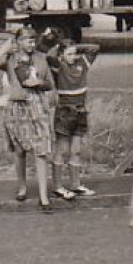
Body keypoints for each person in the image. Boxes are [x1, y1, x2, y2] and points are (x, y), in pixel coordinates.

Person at [0, 25, 57, 211]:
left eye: (33, 40)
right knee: (19, 150)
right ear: (19, 42)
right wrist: (9, 44)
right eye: (27, 41)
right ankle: (22, 187)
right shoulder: (11, 59)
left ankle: (44, 197)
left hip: (36, 105)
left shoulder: (41, 58)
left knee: (41, 150)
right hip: (16, 106)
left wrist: (40, 82)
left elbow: (50, 84)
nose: (31, 44)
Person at [48, 38, 102, 201]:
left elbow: (95, 47)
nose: (73, 56)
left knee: (76, 151)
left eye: (75, 53)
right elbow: (49, 56)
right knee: (62, 150)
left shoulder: (83, 63)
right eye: (69, 54)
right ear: (62, 55)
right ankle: (58, 186)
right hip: (65, 112)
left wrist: (75, 47)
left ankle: (75, 184)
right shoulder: (59, 67)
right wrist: (59, 46)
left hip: (81, 110)